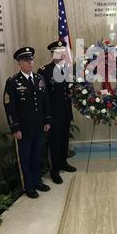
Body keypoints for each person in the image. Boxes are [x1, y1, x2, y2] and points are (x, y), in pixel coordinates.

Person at [3, 47, 51, 199]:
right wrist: (15, 128)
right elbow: (9, 107)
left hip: (38, 126)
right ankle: (28, 186)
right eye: (26, 60)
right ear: (19, 63)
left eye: (31, 59)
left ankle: (37, 181)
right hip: (23, 129)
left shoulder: (39, 79)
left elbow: (45, 101)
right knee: (25, 157)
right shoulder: (13, 82)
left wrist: (47, 120)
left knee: (36, 156)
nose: (30, 63)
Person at [38, 40, 76, 185]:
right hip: (53, 112)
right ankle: (54, 170)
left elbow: (69, 89)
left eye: (62, 52)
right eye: (57, 52)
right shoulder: (44, 71)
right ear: (52, 53)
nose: (60, 54)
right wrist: (46, 117)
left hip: (66, 110)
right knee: (54, 141)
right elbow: (44, 96)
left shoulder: (67, 69)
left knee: (64, 138)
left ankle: (63, 162)